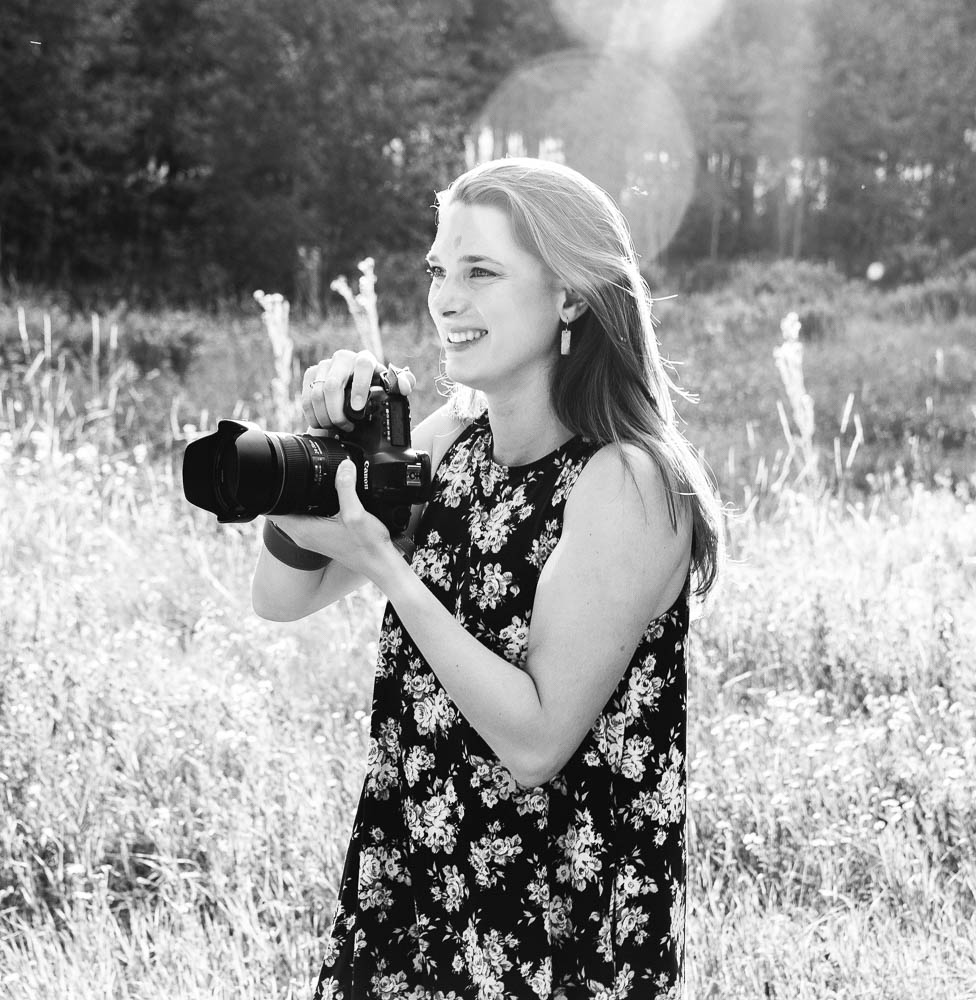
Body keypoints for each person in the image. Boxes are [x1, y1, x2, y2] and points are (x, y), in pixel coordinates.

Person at [253, 157, 722, 1000]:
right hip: (411, 900)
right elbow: (280, 598)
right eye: (438, 269)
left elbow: (538, 743)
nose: (444, 299)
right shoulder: (450, 441)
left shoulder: (630, 482)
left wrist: (389, 570)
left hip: (549, 932)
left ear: (571, 295)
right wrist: (316, 455)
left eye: (480, 271)